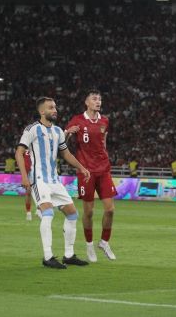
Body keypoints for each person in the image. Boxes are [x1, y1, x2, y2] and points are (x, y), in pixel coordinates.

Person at [16, 97, 91, 269]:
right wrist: (24, 177)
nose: (55, 110)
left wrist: (81, 167)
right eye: (51, 108)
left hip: (54, 180)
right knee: (48, 213)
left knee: (72, 213)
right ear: (42, 111)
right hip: (39, 179)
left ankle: (69, 255)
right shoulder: (32, 129)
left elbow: (66, 154)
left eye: (55, 107)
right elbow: (19, 153)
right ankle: (48, 256)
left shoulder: (57, 131)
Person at [65, 89, 117, 262]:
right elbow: (61, 143)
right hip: (86, 171)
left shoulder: (104, 120)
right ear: (86, 102)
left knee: (110, 209)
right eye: (94, 99)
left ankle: (104, 242)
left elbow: (104, 141)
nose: (98, 101)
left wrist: (106, 156)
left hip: (103, 169)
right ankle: (89, 245)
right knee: (89, 212)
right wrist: (67, 133)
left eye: (100, 99)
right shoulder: (77, 120)